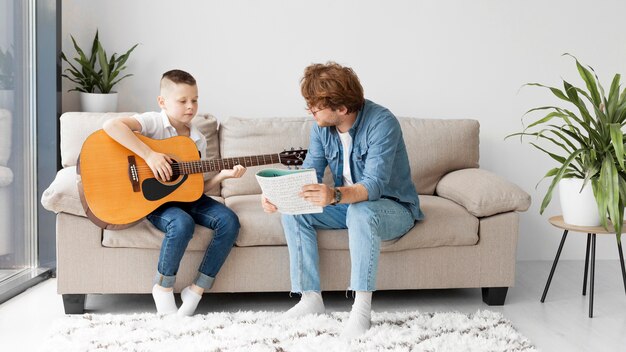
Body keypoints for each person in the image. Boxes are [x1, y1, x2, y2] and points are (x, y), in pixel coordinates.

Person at [262, 62, 424, 338]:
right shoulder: (321, 128)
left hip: (392, 207)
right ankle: (310, 299)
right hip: (346, 206)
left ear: (342, 108)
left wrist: (335, 195)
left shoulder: (382, 123)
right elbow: (309, 172)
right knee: (294, 211)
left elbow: (373, 185)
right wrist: (281, 195)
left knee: (361, 212)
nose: (310, 111)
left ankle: (361, 311)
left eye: (315, 106)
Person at [103, 69, 245, 316]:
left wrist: (222, 175)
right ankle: (164, 287)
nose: (190, 107)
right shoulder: (152, 122)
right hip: (155, 201)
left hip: (188, 198)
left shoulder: (197, 138)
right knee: (181, 223)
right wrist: (149, 155)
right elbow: (111, 126)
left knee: (229, 221)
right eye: (182, 101)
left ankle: (197, 289)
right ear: (162, 102)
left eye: (194, 100)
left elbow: (195, 186)